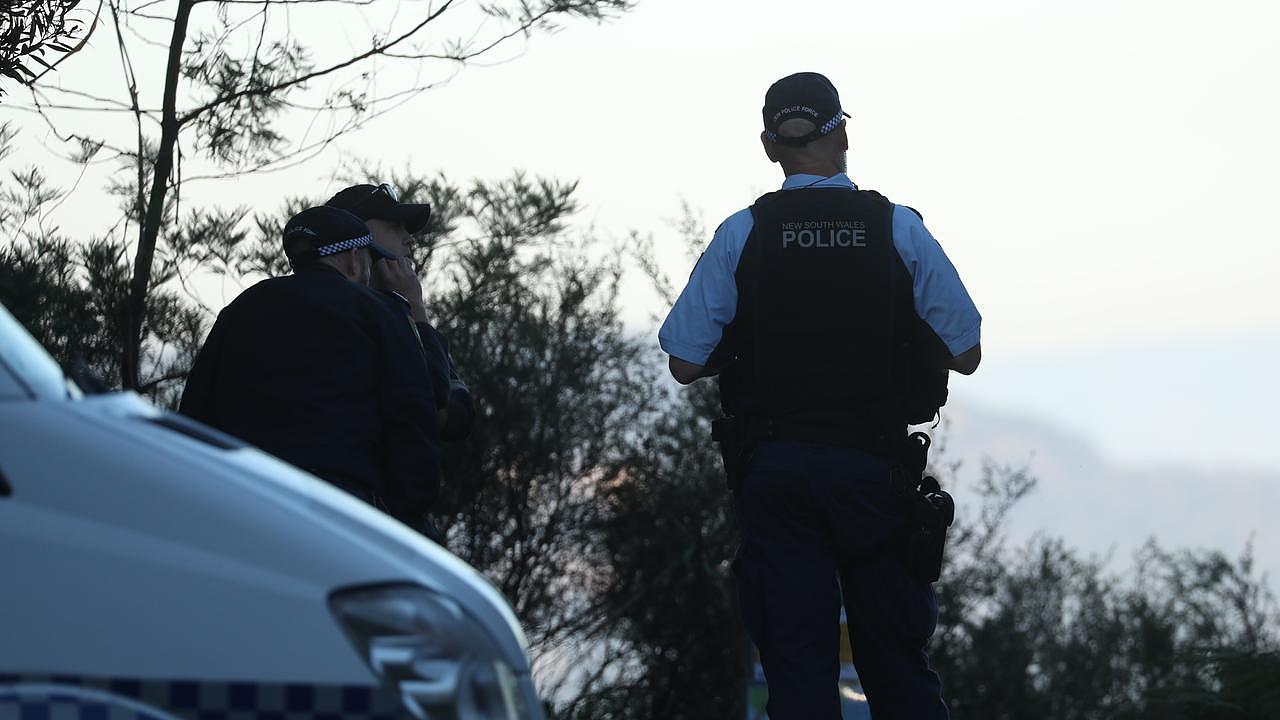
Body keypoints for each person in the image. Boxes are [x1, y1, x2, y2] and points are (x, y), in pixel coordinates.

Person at [658, 72, 982, 719]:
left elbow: (685, 360)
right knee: (896, 666)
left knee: (798, 674)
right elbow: (966, 350)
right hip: (875, 477)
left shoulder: (742, 233)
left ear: (768, 145)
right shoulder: (897, 228)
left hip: (775, 478)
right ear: (842, 132)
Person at [179, 205, 442, 531]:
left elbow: (195, 410)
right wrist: (410, 515)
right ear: (352, 258)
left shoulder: (242, 309)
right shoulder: (379, 312)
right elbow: (413, 414)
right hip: (342, 507)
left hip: (244, 502)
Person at [325, 182, 475, 442]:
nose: (409, 237)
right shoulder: (325, 311)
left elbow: (459, 415)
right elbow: (431, 403)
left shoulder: (402, 317)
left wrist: (414, 307)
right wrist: (415, 306)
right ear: (357, 233)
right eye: (395, 226)